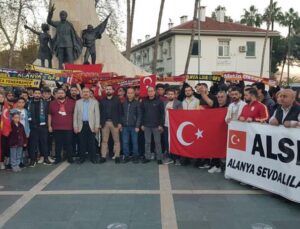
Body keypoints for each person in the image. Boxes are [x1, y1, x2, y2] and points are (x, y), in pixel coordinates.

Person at [48, 88, 76, 164]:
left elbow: (75, 115)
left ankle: (69, 158)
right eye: (59, 93)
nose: (60, 94)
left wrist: (75, 125)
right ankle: (58, 158)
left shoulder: (72, 102)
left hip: (68, 127)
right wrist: (49, 126)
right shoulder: (52, 103)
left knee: (69, 143)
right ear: (56, 94)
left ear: (65, 94)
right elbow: (49, 115)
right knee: (58, 144)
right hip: (56, 127)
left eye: (62, 93)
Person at [73, 87, 100, 164]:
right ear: (82, 93)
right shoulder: (78, 102)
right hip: (81, 125)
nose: (85, 93)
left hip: (91, 125)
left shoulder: (95, 102)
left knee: (92, 143)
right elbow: (75, 115)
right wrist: (75, 126)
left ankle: (93, 158)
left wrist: (97, 126)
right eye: (84, 92)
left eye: (87, 92)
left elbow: (97, 115)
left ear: (89, 93)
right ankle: (82, 158)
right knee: (81, 143)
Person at [27, 88, 51, 167]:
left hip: (43, 126)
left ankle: (46, 158)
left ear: (41, 94)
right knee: (33, 144)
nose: (37, 94)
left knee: (44, 143)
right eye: (35, 93)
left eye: (38, 93)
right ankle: (33, 160)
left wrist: (47, 126)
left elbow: (48, 115)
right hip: (32, 127)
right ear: (33, 94)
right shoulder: (28, 103)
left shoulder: (45, 103)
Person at [141, 87, 164, 164]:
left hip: (156, 126)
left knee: (157, 142)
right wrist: (142, 124)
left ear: (154, 92)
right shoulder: (144, 102)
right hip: (146, 125)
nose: (150, 92)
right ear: (147, 92)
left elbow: (162, 114)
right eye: (149, 91)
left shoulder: (159, 101)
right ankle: (147, 157)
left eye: (151, 91)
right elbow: (142, 114)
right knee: (147, 142)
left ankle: (159, 158)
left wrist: (161, 124)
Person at [99, 85, 122, 163]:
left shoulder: (117, 100)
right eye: (107, 89)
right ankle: (103, 156)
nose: (108, 90)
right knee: (104, 141)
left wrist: (120, 123)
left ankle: (117, 156)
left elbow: (120, 112)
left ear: (113, 91)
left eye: (110, 89)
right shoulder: (102, 100)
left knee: (117, 140)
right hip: (104, 123)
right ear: (105, 91)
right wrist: (100, 123)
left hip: (114, 123)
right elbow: (100, 113)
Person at [121, 87, 142, 163]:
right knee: (125, 142)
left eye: (131, 93)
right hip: (125, 126)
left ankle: (135, 156)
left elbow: (139, 115)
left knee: (135, 142)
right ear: (126, 94)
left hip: (134, 127)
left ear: (134, 94)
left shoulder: (137, 103)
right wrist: (121, 124)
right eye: (128, 93)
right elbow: (121, 114)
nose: (130, 94)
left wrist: (137, 126)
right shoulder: (123, 103)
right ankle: (126, 156)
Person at [163, 88, 182, 165]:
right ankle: (169, 157)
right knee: (167, 142)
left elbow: (180, 114)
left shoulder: (178, 103)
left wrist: (172, 110)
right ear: (167, 95)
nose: (170, 95)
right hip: (166, 125)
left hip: (174, 126)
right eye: (169, 94)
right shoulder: (164, 103)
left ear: (175, 95)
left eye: (172, 94)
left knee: (175, 142)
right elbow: (162, 114)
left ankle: (176, 158)